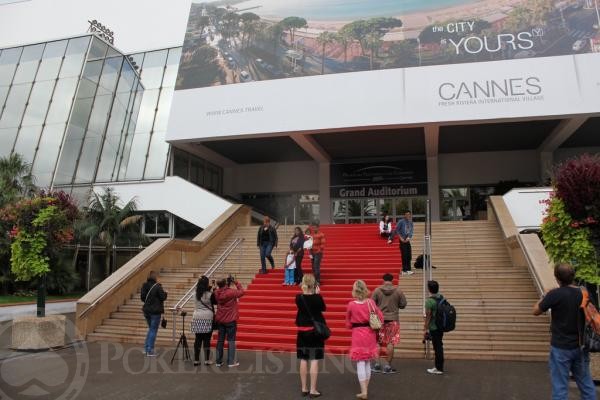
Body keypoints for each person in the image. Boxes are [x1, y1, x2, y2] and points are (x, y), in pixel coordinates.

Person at [533, 263, 596, 400]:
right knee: (586, 384)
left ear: (557, 278)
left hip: (560, 347)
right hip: (581, 345)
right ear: (573, 276)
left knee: (560, 386)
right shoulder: (584, 293)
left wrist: (545, 295)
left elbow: (536, 310)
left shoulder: (555, 294)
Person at [346, 280, 384, 399]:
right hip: (370, 333)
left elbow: (348, 323)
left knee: (360, 362)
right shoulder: (371, 302)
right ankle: (365, 389)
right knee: (367, 361)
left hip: (357, 334)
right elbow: (381, 318)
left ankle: (364, 391)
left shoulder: (351, 305)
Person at [296, 274, 326, 398]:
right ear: (314, 284)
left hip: (302, 331)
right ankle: (313, 390)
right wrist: (317, 294)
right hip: (315, 331)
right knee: (314, 359)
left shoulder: (298, 298)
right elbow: (323, 308)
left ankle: (304, 388)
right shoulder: (317, 298)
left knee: (303, 359)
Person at [371, 273, 407, 374]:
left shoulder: (377, 290)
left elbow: (372, 304)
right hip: (393, 319)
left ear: (383, 279)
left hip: (379, 319)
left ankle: (377, 365)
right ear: (392, 280)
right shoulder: (398, 291)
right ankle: (387, 366)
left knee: (377, 342)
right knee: (390, 342)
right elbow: (403, 304)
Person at [214, 275, 244, 367]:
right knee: (231, 340)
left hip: (220, 319)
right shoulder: (231, 292)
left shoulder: (216, 292)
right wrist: (236, 282)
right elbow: (242, 292)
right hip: (230, 320)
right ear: (226, 283)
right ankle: (231, 361)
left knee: (220, 340)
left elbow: (217, 290)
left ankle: (218, 361)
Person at [190, 276, 216, 366]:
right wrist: (213, 289)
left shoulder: (194, 294)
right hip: (207, 317)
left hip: (197, 317)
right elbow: (215, 301)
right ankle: (207, 360)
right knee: (207, 339)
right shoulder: (209, 294)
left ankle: (196, 360)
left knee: (198, 339)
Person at [140, 271, 167, 357]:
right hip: (155, 312)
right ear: (155, 278)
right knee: (153, 330)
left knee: (151, 329)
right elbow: (163, 297)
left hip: (146, 311)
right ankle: (150, 350)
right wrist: (166, 293)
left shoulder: (144, 285)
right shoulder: (157, 286)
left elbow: (142, 298)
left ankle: (146, 348)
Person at [424, 280, 444, 375]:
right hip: (441, 326)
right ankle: (439, 366)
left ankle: (438, 368)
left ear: (429, 289)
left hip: (434, 327)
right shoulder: (441, 298)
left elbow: (428, 316)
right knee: (439, 345)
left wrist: (425, 327)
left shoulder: (430, 301)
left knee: (437, 347)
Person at [389, 212, 414, 276]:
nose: (408, 215)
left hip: (407, 240)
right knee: (404, 255)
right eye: (406, 214)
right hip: (402, 240)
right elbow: (396, 230)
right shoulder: (401, 221)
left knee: (409, 255)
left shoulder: (410, 222)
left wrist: (409, 237)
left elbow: (411, 231)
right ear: (404, 215)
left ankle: (408, 269)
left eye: (409, 214)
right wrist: (399, 238)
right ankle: (404, 270)